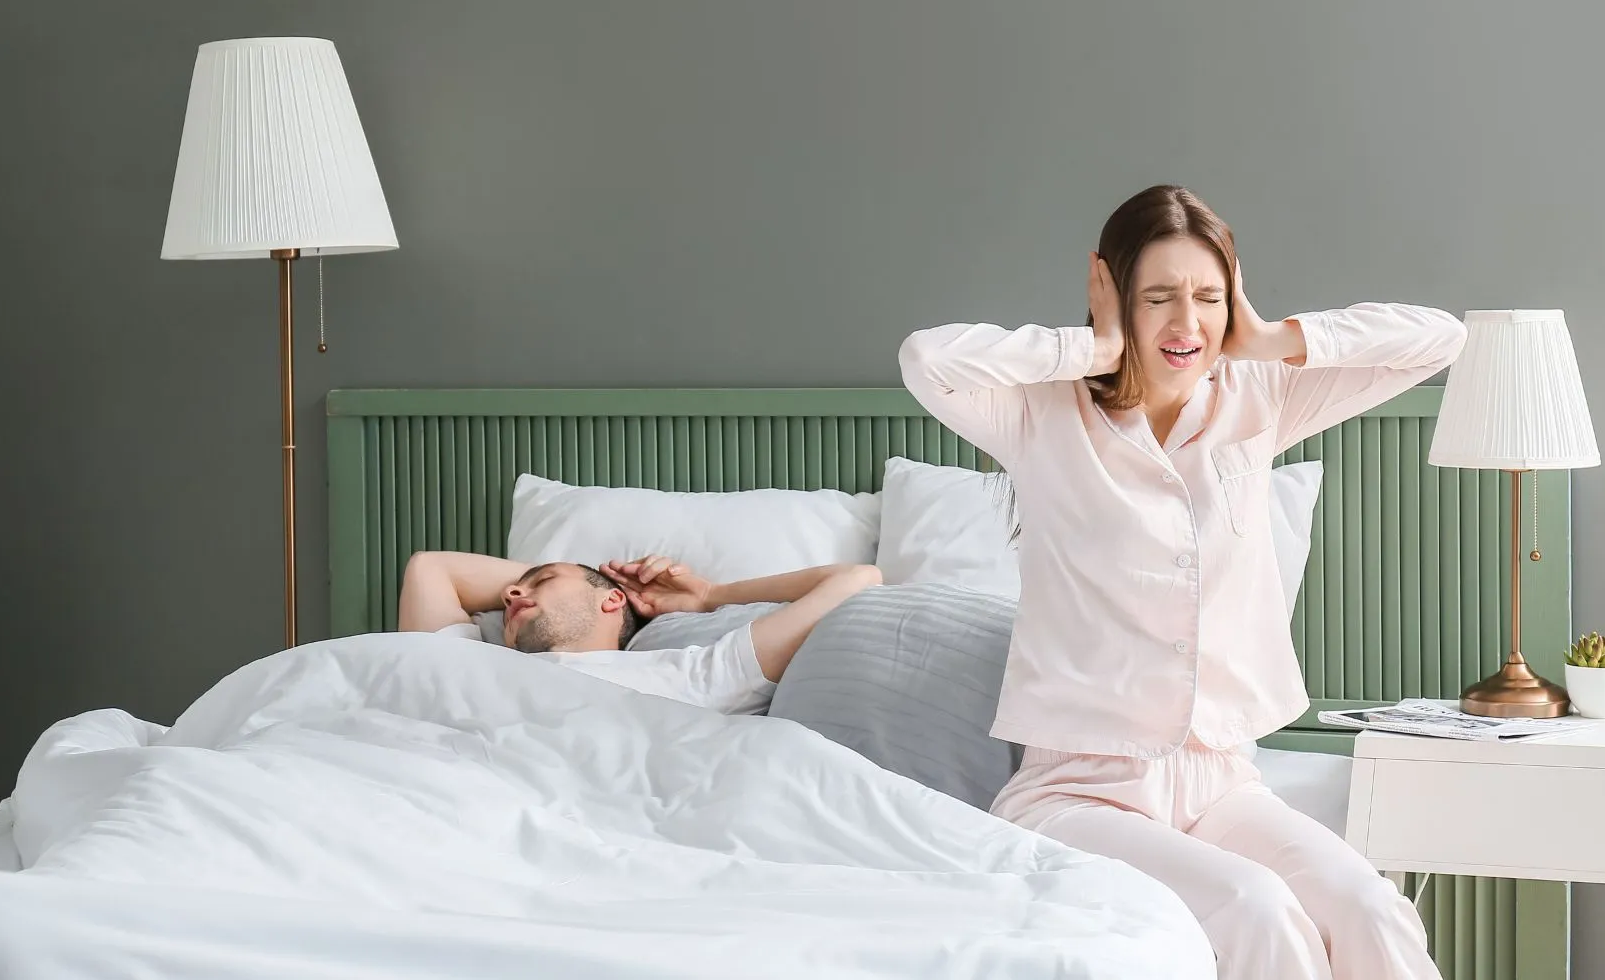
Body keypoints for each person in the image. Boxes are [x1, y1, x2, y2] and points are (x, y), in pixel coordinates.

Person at [898, 184, 1465, 980]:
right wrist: (1091, 350)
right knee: (1259, 907)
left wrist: (1268, 337)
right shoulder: (1037, 414)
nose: (1185, 322)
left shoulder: (1259, 394)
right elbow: (927, 358)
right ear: (1114, 296)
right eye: (1157, 296)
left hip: (1224, 784)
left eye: (1207, 296)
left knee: (1371, 907)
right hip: (1078, 794)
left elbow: (1437, 341)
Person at [397, 550, 881, 715]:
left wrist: (711, 595)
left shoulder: (689, 674)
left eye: (540, 582)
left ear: (612, 602)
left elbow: (858, 578)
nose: (509, 596)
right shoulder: (465, 663)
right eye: (510, 595)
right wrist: (587, 578)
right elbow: (431, 568)